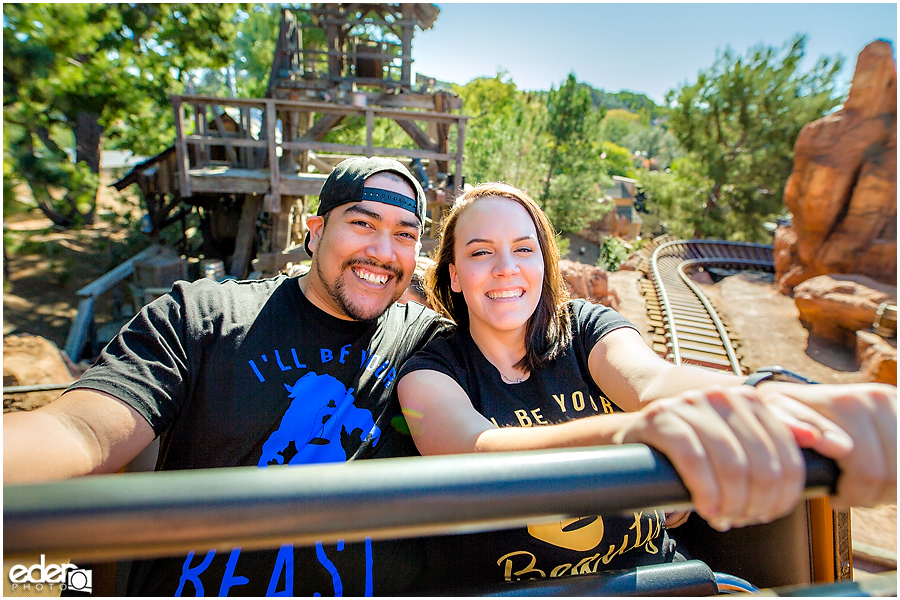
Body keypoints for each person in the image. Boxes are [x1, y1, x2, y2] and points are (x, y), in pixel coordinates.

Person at [396, 182, 897, 585]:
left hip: (659, 580)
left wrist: (758, 397)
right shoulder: (430, 371)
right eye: (481, 252)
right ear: (455, 274)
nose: (507, 267)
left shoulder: (585, 329)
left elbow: (654, 381)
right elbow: (471, 448)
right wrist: (635, 434)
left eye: (523, 248)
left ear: (543, 265)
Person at [3, 157, 455, 596]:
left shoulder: (429, 346)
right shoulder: (203, 319)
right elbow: (82, 430)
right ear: (315, 234)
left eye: (404, 234)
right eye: (362, 224)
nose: (382, 251)